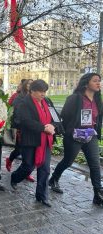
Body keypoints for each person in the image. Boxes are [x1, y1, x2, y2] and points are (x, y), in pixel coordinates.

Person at [49, 73, 103, 206]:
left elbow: (98, 117)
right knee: (68, 161)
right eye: (95, 81)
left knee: (95, 165)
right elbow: (65, 116)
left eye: (99, 81)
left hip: (91, 135)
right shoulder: (74, 98)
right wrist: (72, 130)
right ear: (86, 83)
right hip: (74, 136)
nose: (98, 83)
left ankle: (98, 194)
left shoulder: (97, 98)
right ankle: (54, 179)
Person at [10, 80, 56, 207]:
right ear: (32, 91)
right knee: (28, 166)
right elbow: (24, 121)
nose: (43, 94)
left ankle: (42, 195)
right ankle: (15, 177)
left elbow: (55, 118)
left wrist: (52, 126)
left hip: (45, 140)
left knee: (45, 168)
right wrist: (43, 128)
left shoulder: (47, 102)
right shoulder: (24, 103)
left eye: (45, 91)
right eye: (40, 91)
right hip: (30, 140)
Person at [6, 79, 35, 182]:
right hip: (21, 130)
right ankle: (9, 160)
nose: (30, 85)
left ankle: (26, 173)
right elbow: (14, 113)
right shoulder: (18, 97)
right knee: (19, 150)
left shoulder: (35, 97)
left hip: (32, 130)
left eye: (32, 84)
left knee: (28, 154)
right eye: (28, 83)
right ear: (24, 85)